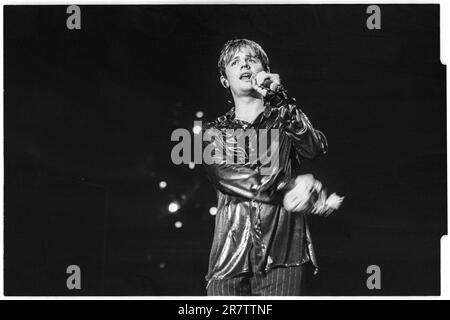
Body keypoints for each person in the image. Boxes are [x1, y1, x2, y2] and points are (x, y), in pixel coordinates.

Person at [202, 39, 336, 296]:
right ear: (224, 80)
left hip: (283, 254)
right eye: (235, 61)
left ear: (265, 70)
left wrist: (280, 98)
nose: (244, 63)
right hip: (229, 257)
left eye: (252, 59)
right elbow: (225, 176)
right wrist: (287, 187)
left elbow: (315, 147)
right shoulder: (214, 131)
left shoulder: (284, 118)